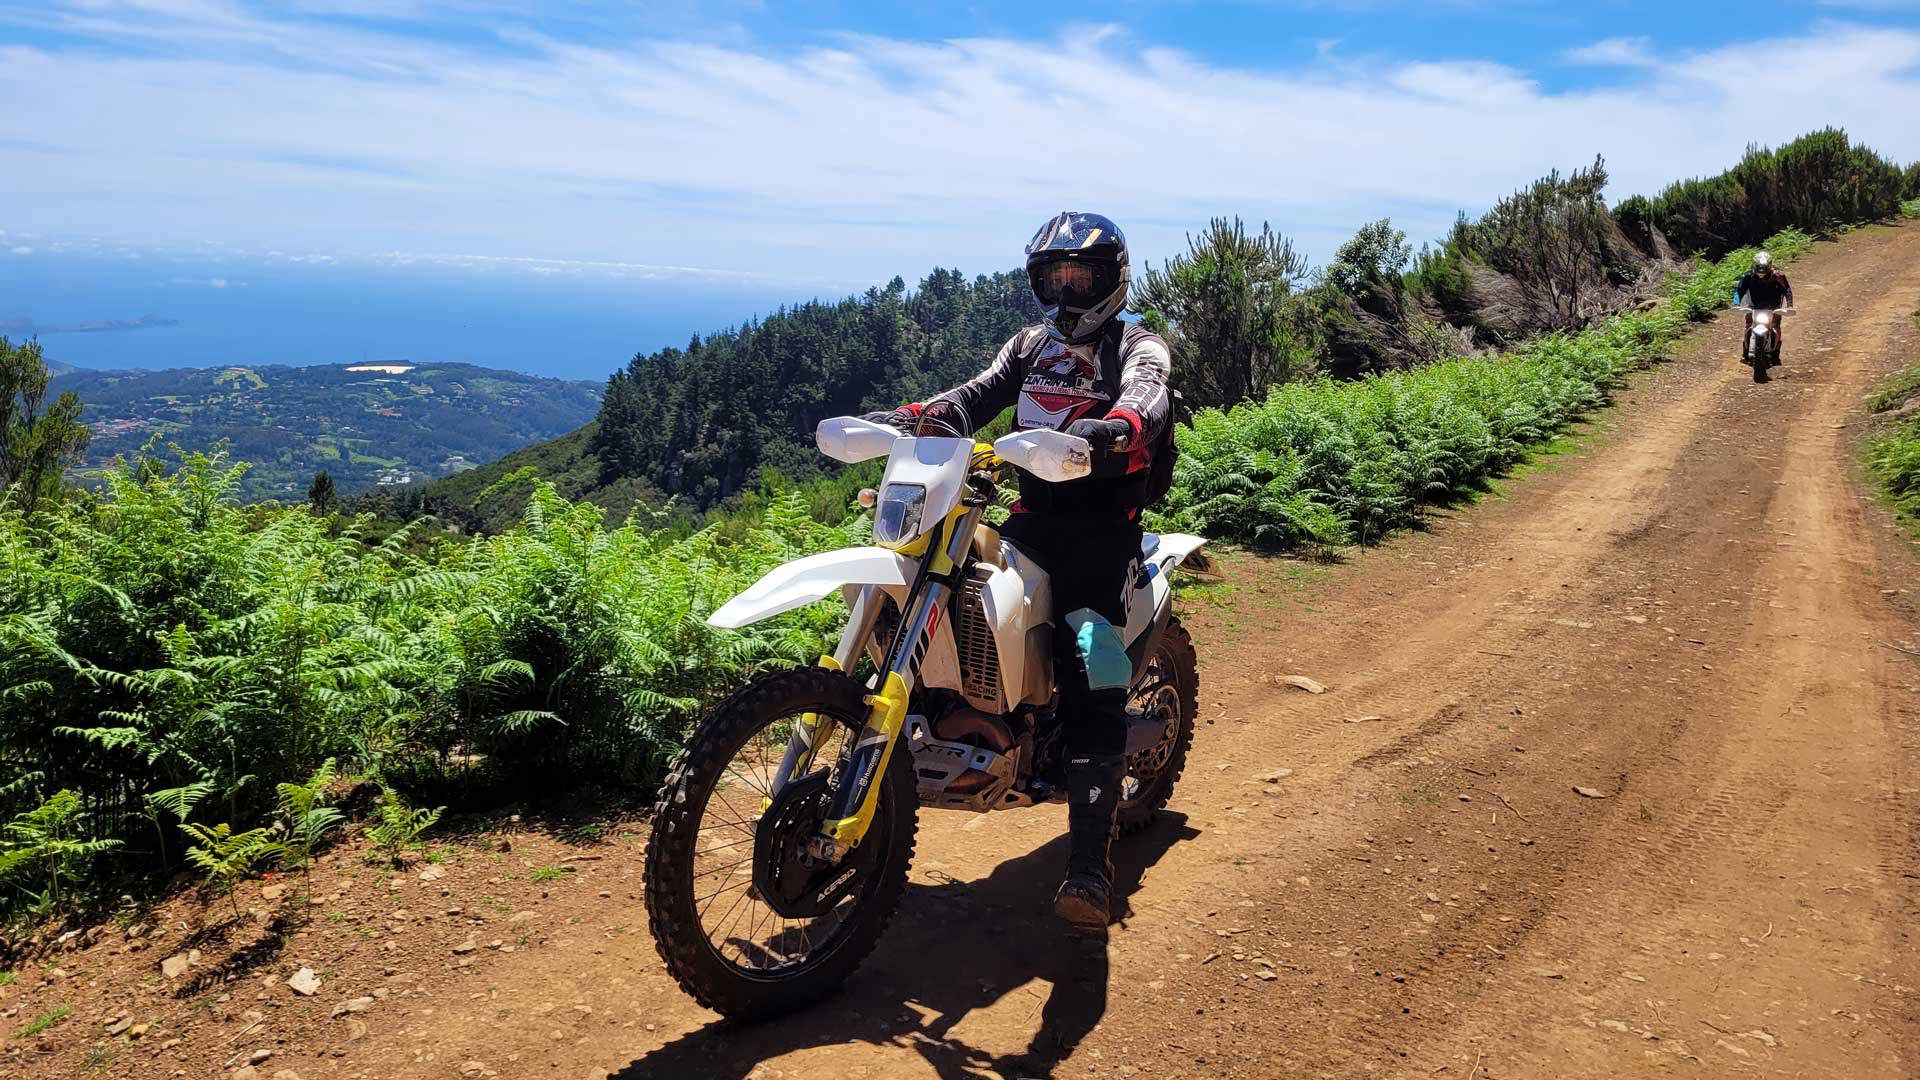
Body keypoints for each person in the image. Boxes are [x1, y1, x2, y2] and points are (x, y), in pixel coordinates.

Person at [864, 210, 1171, 934]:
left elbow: (1148, 397)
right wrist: (920, 415)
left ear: (1112, 279)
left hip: (1102, 533)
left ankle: (1090, 869)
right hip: (1030, 519)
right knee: (953, 588)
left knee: (1092, 662)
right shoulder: (1031, 344)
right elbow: (977, 393)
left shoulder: (1138, 343)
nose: (1067, 291)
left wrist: (1114, 428)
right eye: (1054, 278)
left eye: (1081, 277)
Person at [1733, 251, 1794, 365]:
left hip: (1773, 307)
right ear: (1755, 265)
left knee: (1775, 326)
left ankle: (1776, 354)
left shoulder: (1778, 276)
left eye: (1764, 267)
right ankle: (1745, 352)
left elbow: (1787, 290)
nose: (1761, 270)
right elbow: (1739, 290)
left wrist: (1789, 306)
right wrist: (1736, 304)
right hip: (1753, 306)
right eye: (1759, 267)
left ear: (1769, 265)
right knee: (1749, 325)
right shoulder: (1748, 276)